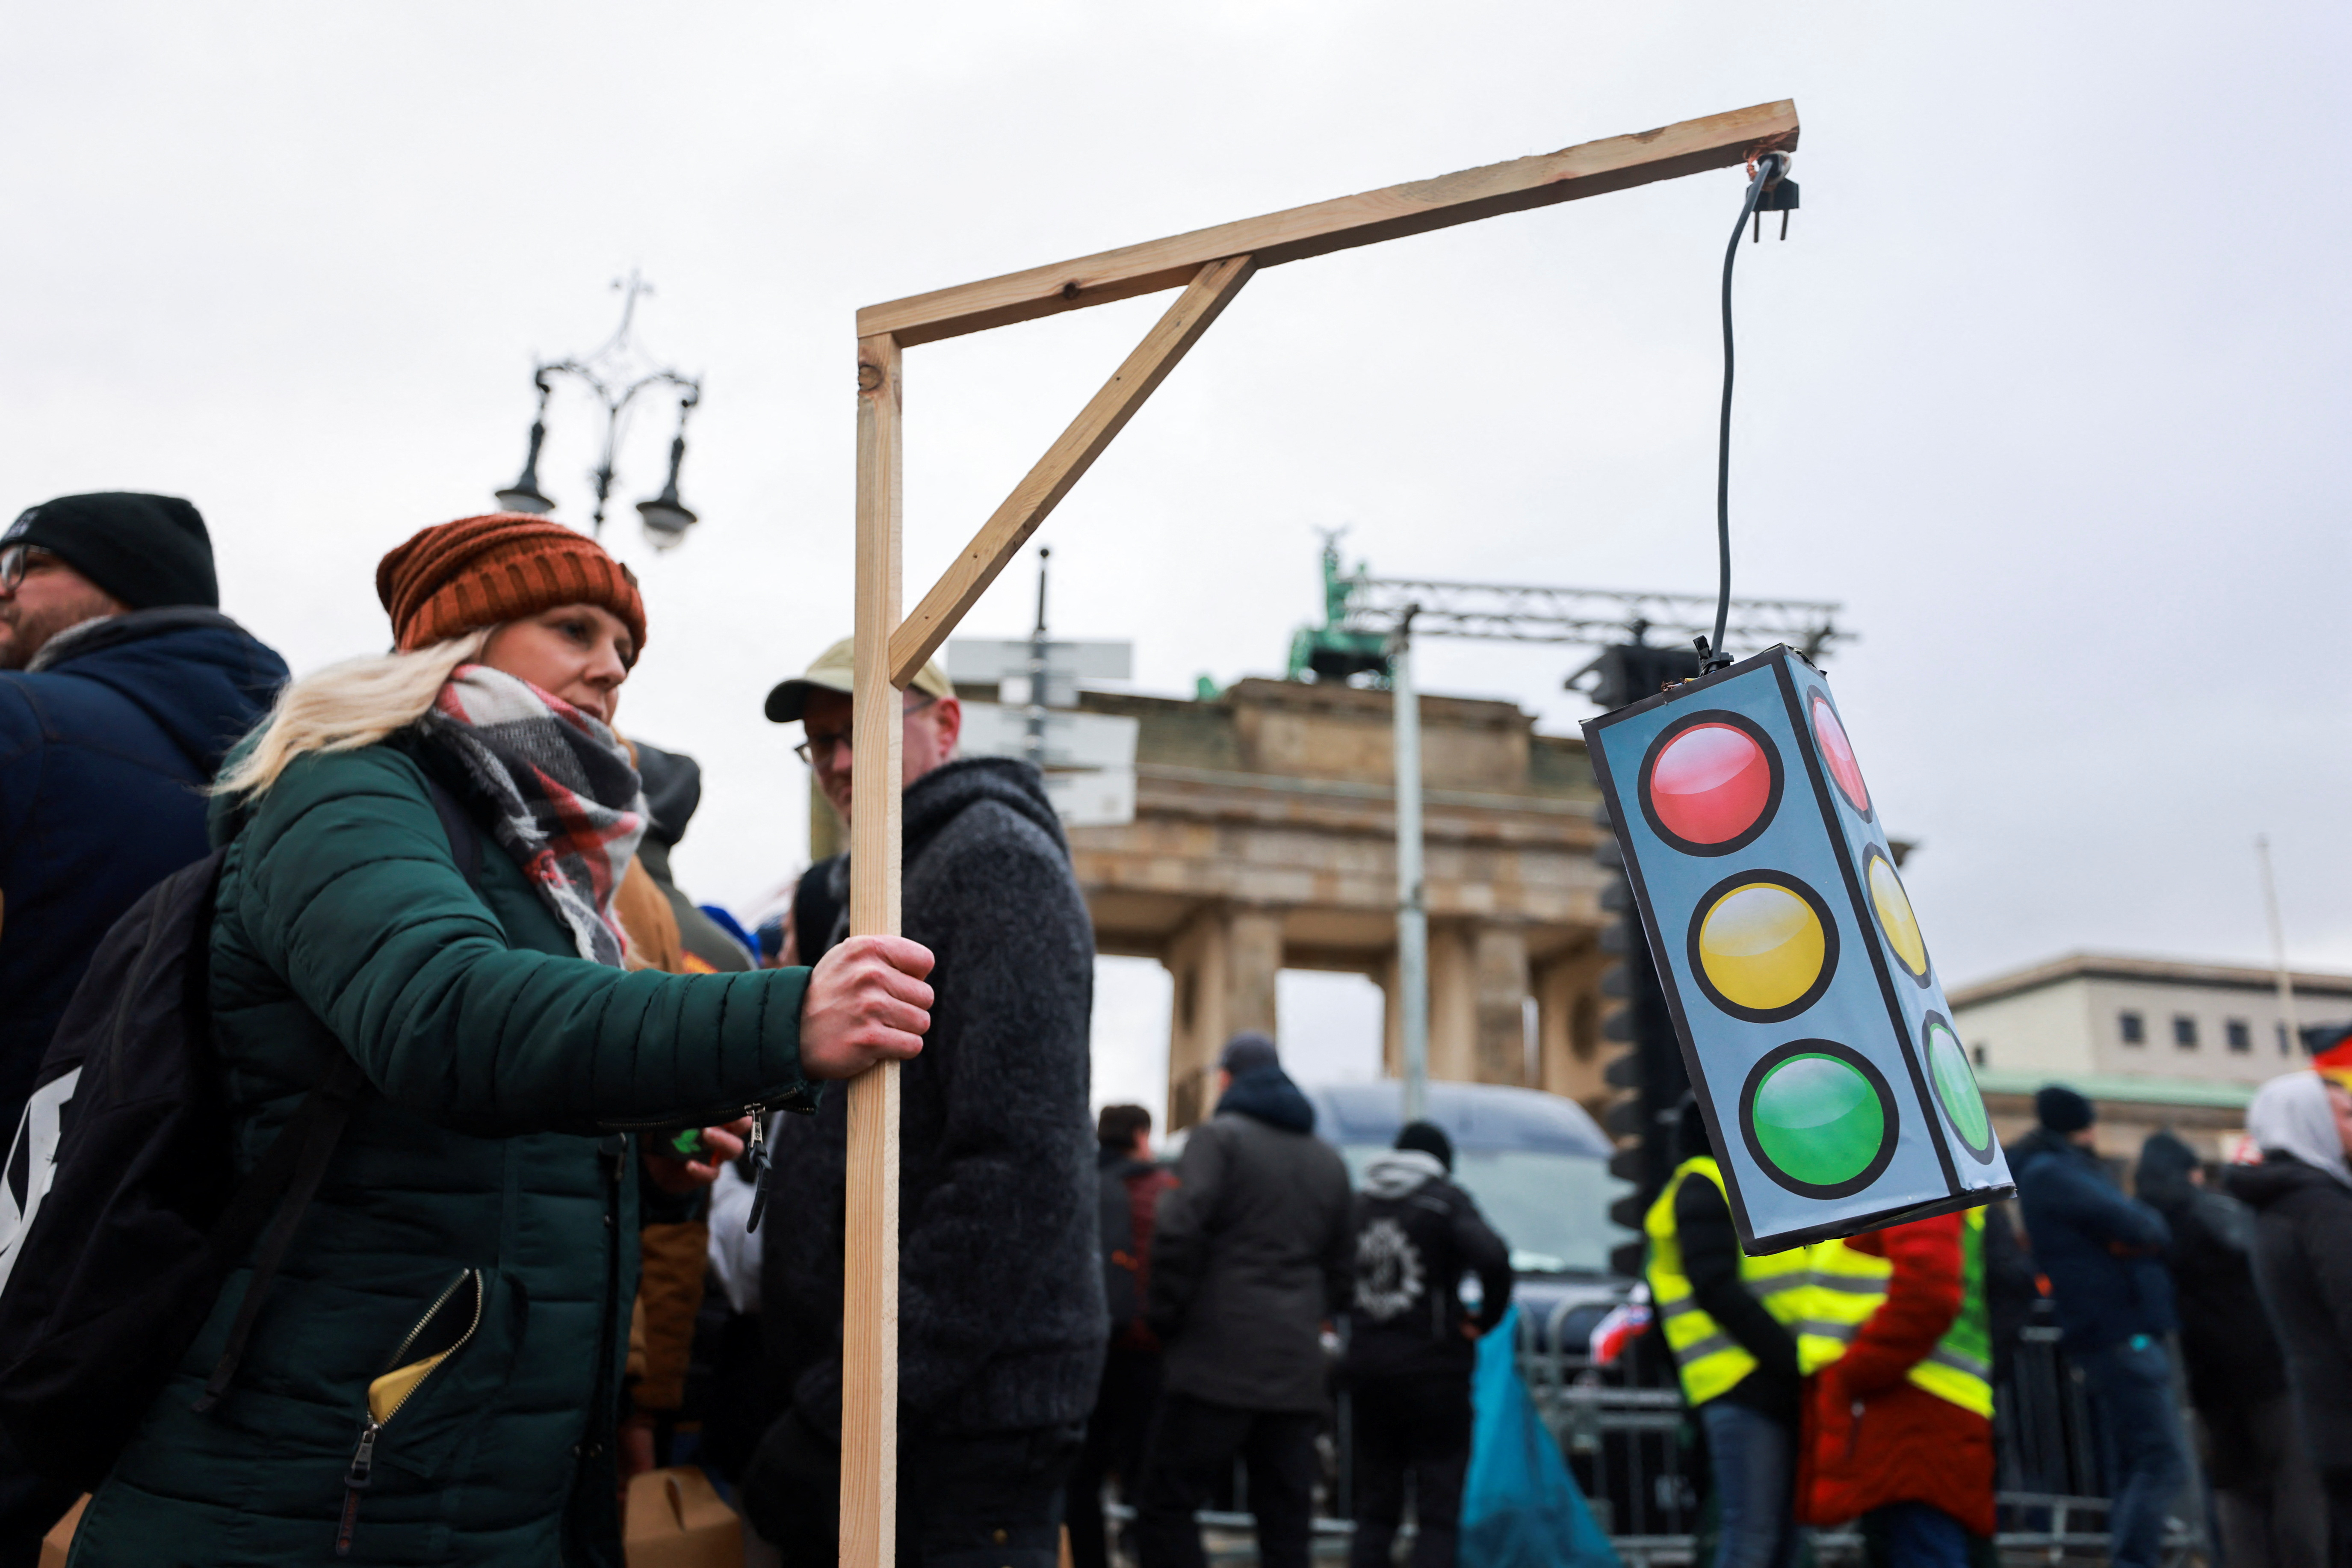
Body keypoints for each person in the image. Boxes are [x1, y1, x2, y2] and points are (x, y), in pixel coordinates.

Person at [63, 513, 934, 1568]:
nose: (611, 666)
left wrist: (647, 1149)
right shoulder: (347, 785)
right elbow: (446, 1018)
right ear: (458, 637)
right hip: (308, 1479)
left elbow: (501, 1136)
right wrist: (778, 1018)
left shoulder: (550, 856)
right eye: (573, 628)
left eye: (624, 647)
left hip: (472, 1477)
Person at [741, 635, 1103, 1568]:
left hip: (954, 1424)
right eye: (820, 743)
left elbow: (1018, 1171)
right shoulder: (895, 877)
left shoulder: (992, 864)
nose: (838, 762)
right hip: (903, 1406)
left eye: (860, 730)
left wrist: (846, 1409)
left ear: (945, 724)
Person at [0, 491, 287, 1564]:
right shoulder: (300, 777)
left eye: (27, 559)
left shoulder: (19, 723)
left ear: (116, 583)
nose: (4, 585)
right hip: (182, 1287)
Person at [1135, 1034, 1353, 1568]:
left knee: (1166, 1506)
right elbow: (1344, 1267)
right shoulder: (1328, 1160)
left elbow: (1177, 1231)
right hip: (1294, 1369)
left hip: (1213, 1362)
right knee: (1286, 1525)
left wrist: (1165, 1317)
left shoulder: (1217, 1141)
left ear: (1227, 1079)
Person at [2009, 1085, 2189, 1568]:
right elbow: (2143, 1226)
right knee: (2161, 1460)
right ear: (2083, 1125)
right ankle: (2134, 1559)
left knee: (2133, 1460)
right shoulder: (2057, 1172)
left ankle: (2130, 1555)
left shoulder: (2054, 1170)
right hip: (2118, 1329)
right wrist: (2139, 1234)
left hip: (2111, 1329)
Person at [2139, 1130, 2325, 1568]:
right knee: (2295, 1479)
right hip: (2265, 1365)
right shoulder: (2217, 1212)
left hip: (2206, 1376)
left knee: (2236, 1487)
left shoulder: (2145, 1224)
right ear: (2190, 1171)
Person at [1644, 1101, 1808, 1568]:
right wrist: (1790, 1359)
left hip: (1762, 1381)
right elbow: (1716, 1287)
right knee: (1752, 1541)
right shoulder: (1706, 1183)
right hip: (1743, 1382)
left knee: (1775, 1542)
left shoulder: (1739, 1184)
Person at [1343, 1120, 1513, 1568]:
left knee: (1375, 1507)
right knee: (1437, 1510)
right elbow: (1493, 1257)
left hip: (1368, 1370)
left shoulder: (1358, 1205)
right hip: (1434, 1372)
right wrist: (1485, 1319)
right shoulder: (1445, 1201)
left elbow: (1333, 1271)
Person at [1793, 1214, 1997, 1568]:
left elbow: (1928, 1294)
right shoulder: (1918, 1190)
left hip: (1910, 1408)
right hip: (1914, 1405)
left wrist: (1851, 1374)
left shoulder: (1910, 1188)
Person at [2231, 1072, 2352, 1567]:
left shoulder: (2272, 1205)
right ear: (2309, 1123)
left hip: (2325, 1417)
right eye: (2344, 1115)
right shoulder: (2323, 1208)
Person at [1068, 1105, 1178, 1568]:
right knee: (1147, 1478)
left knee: (1082, 1477)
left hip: (1085, 1348)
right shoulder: (1162, 1190)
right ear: (1140, 1135)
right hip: (1145, 1351)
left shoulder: (1079, 1182)